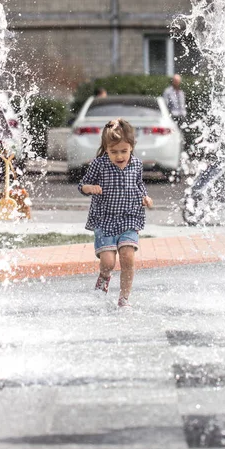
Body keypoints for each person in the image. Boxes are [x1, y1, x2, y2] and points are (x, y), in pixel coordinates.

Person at [78, 118, 153, 309]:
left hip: (130, 217)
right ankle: (104, 278)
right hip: (105, 219)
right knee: (108, 263)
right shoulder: (99, 164)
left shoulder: (136, 164)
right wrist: (90, 188)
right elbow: (82, 185)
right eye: (114, 152)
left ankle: (124, 299)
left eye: (124, 151)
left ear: (131, 147)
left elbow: (138, 184)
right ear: (106, 148)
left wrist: (145, 197)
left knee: (127, 257)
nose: (119, 156)